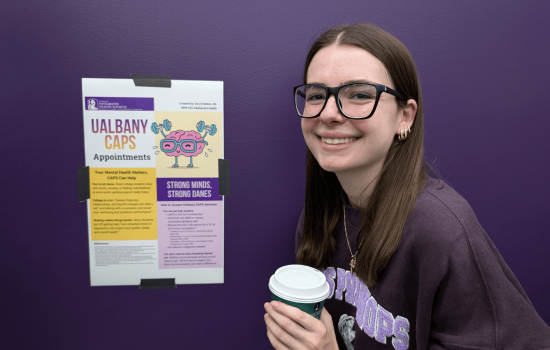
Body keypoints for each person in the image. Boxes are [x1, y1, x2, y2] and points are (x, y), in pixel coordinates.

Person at [263, 23, 550, 350]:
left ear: (405, 117)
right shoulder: (320, 217)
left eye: (358, 94)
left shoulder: (441, 231)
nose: (328, 113)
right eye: (316, 94)